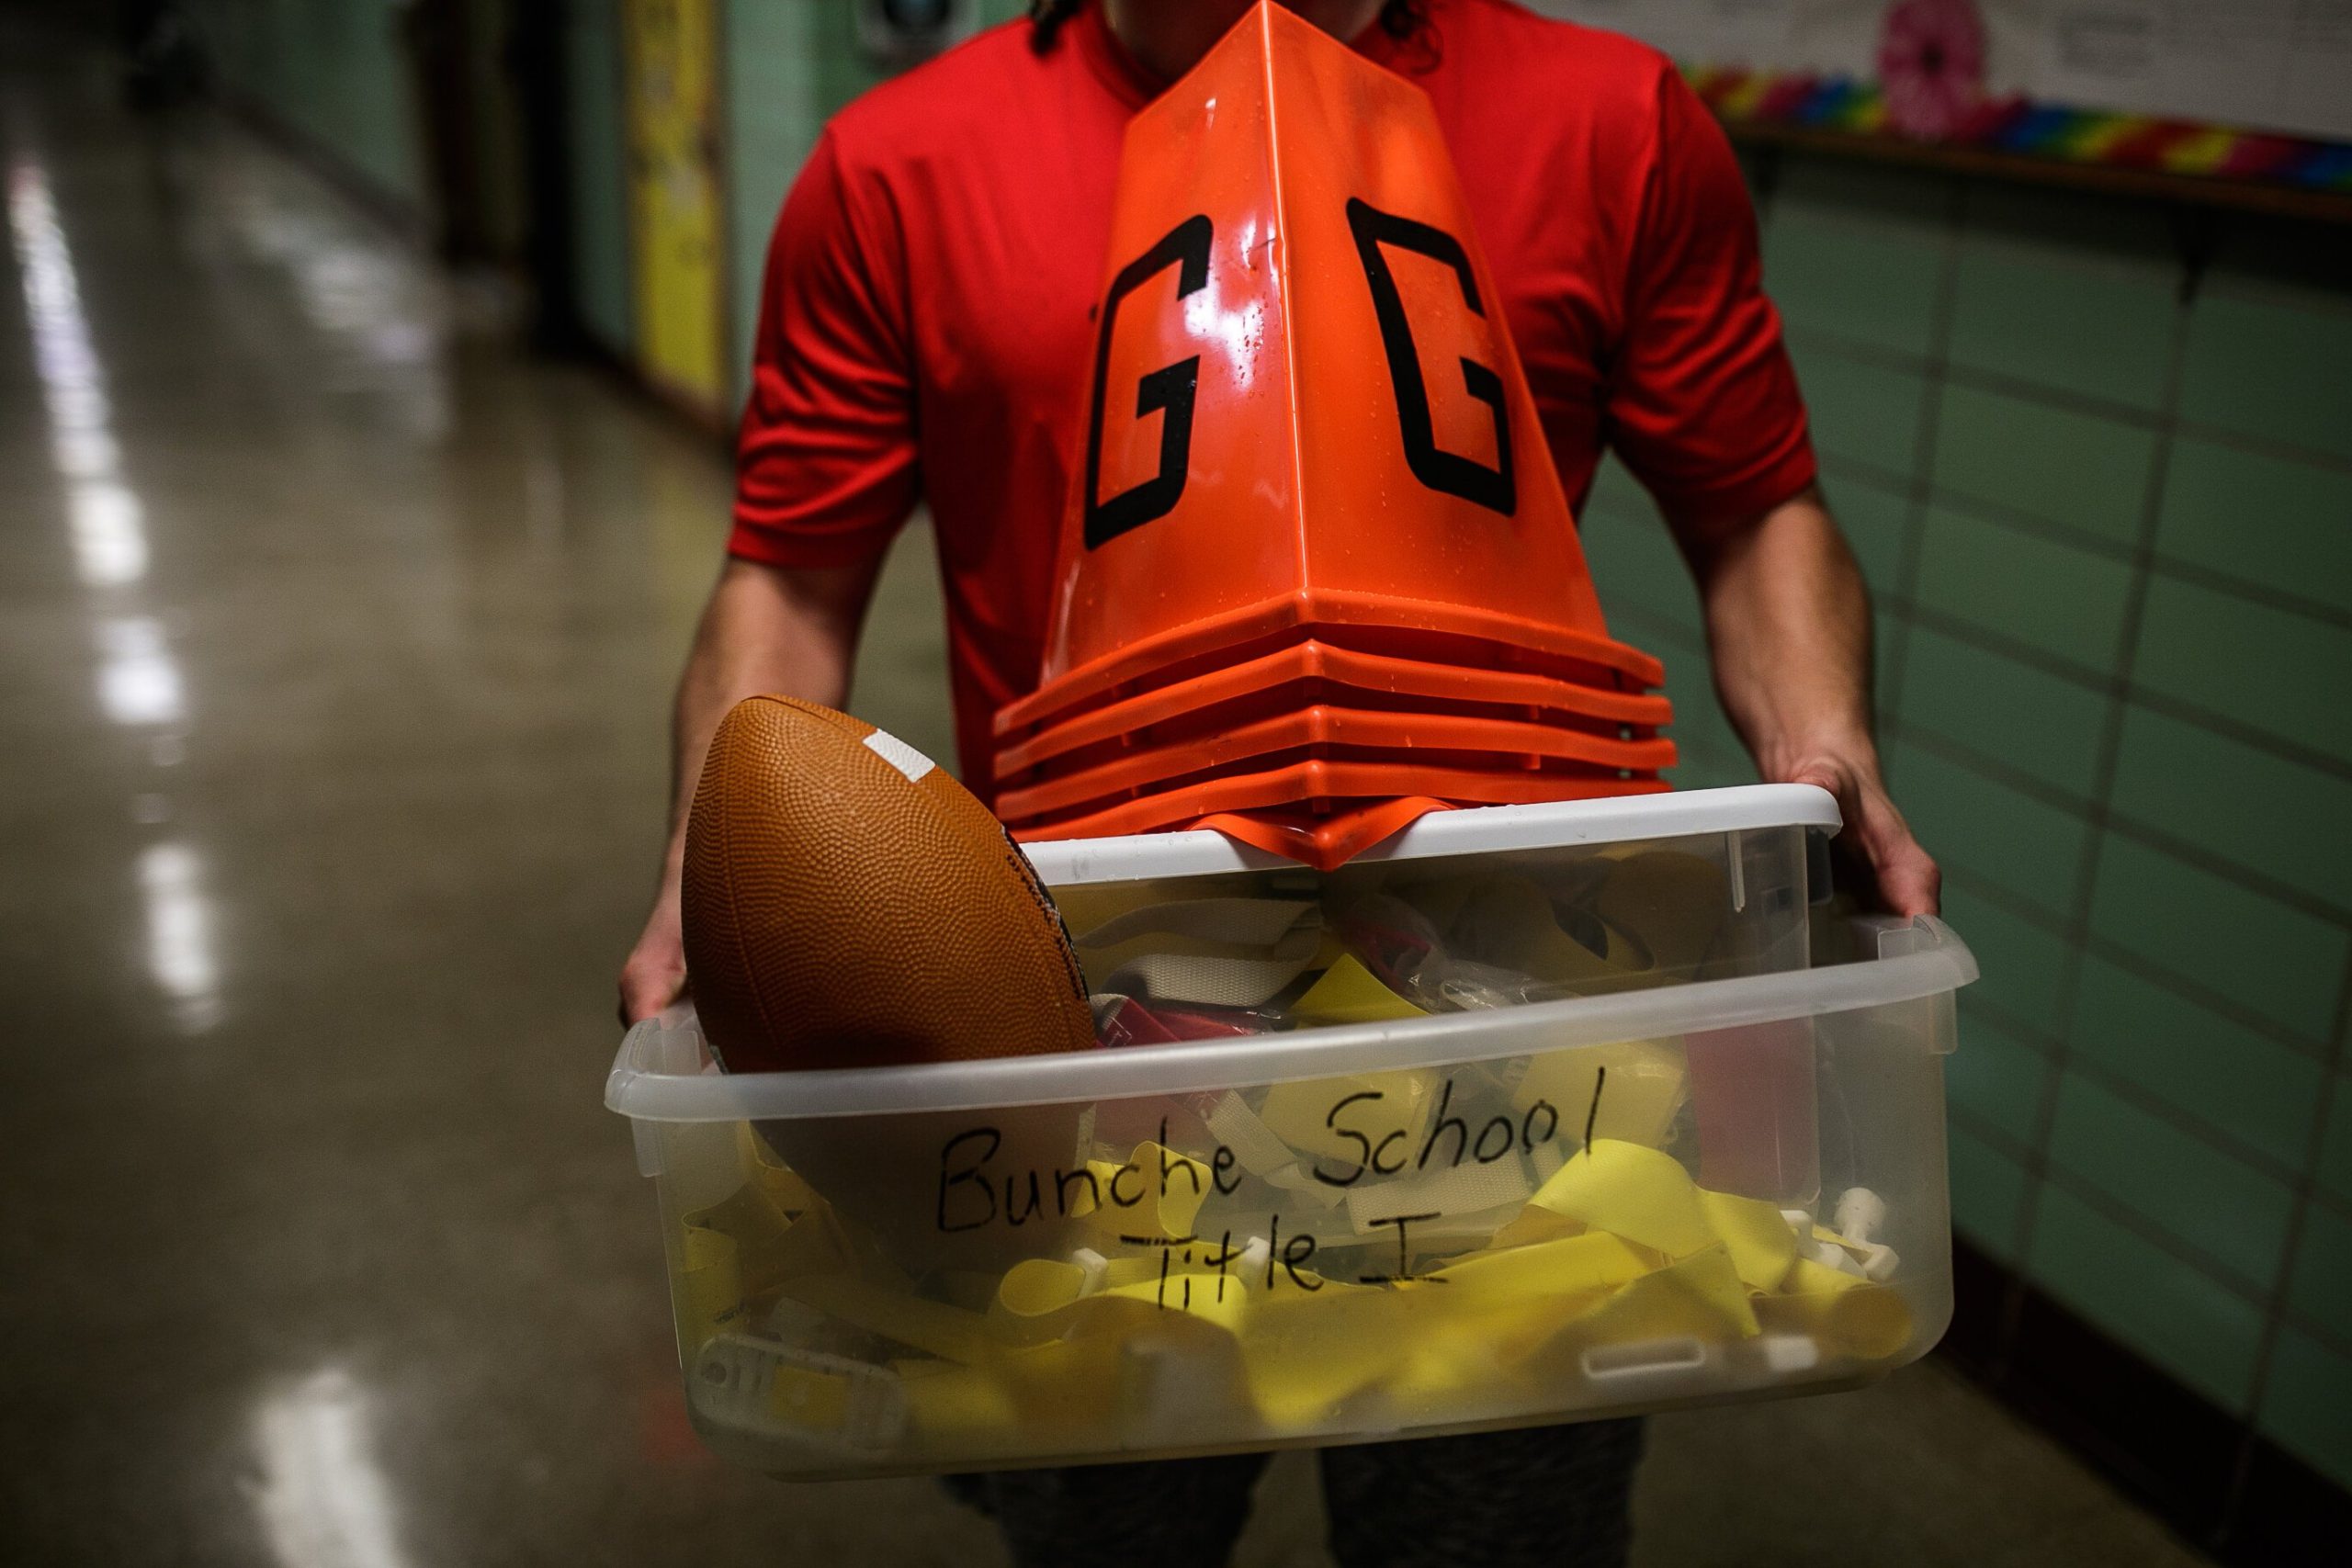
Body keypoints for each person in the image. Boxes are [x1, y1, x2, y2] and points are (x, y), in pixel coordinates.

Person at [619, 2, 1939, 1562]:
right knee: (1106, 1523)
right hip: (1078, 1015)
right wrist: (713, 854)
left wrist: (1826, 745)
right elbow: (793, 574)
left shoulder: (1612, 123)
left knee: (1492, 1533)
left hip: (1507, 1013)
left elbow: (1754, 507)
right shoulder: (900, 167)